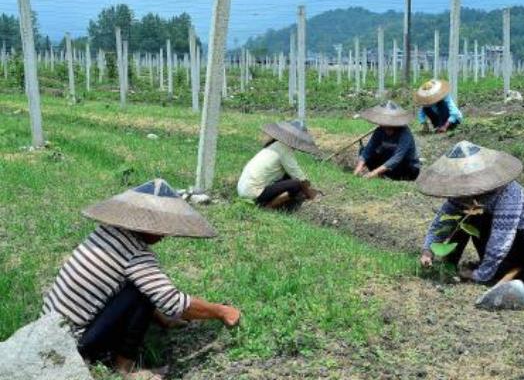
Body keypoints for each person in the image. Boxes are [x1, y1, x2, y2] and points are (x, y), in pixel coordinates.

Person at [42, 179, 241, 380]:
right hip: (74, 346)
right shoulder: (136, 253)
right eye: (160, 227)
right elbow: (174, 303)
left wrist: (163, 318)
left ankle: (154, 325)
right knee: (141, 293)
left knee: (141, 286)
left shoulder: (107, 231)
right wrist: (221, 311)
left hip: (50, 331)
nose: (165, 234)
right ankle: (124, 368)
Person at [417, 141, 524, 293]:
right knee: (463, 216)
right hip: (503, 240)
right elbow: (442, 221)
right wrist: (428, 250)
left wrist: (479, 275)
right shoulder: (463, 194)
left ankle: (513, 270)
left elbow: (501, 239)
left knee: (473, 216)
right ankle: (449, 266)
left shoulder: (508, 194)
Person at [237, 120, 320, 209]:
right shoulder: (284, 149)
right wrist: (310, 194)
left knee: (288, 177)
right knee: (296, 185)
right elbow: (299, 177)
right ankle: (268, 207)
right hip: (252, 192)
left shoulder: (275, 145)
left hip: (242, 189)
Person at [353, 100, 420, 181]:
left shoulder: (405, 133)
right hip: (390, 163)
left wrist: (374, 172)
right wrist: (359, 167)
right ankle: (383, 174)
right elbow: (368, 149)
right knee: (363, 151)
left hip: (406, 167)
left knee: (400, 162)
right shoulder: (379, 131)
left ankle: (383, 174)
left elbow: (397, 158)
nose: (387, 128)